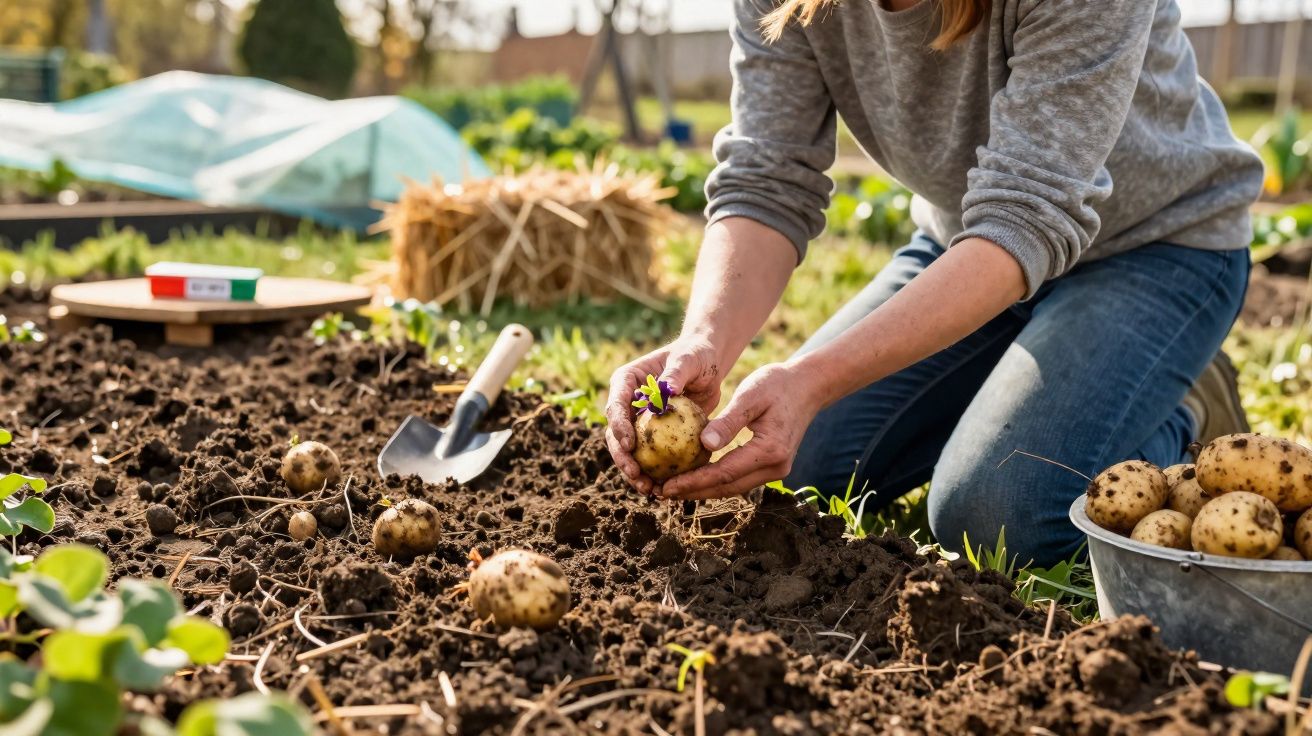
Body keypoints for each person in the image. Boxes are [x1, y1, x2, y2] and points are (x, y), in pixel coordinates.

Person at [604, 0, 1264, 567]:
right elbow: (767, 180)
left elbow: (1027, 213)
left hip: (1153, 249)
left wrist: (814, 380)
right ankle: (1026, 378)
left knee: (997, 515)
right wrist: (705, 340)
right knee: (793, 467)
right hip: (965, 249)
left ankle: (1183, 405)